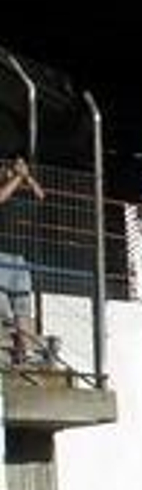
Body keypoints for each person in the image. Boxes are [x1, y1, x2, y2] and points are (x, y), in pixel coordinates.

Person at [0, 154, 46, 360]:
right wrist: (18, 177)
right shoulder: (5, 189)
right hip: (1, 254)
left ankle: (26, 350)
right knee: (2, 302)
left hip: (20, 257)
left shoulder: (22, 194)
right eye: (13, 168)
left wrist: (27, 177)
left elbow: (41, 196)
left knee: (23, 304)